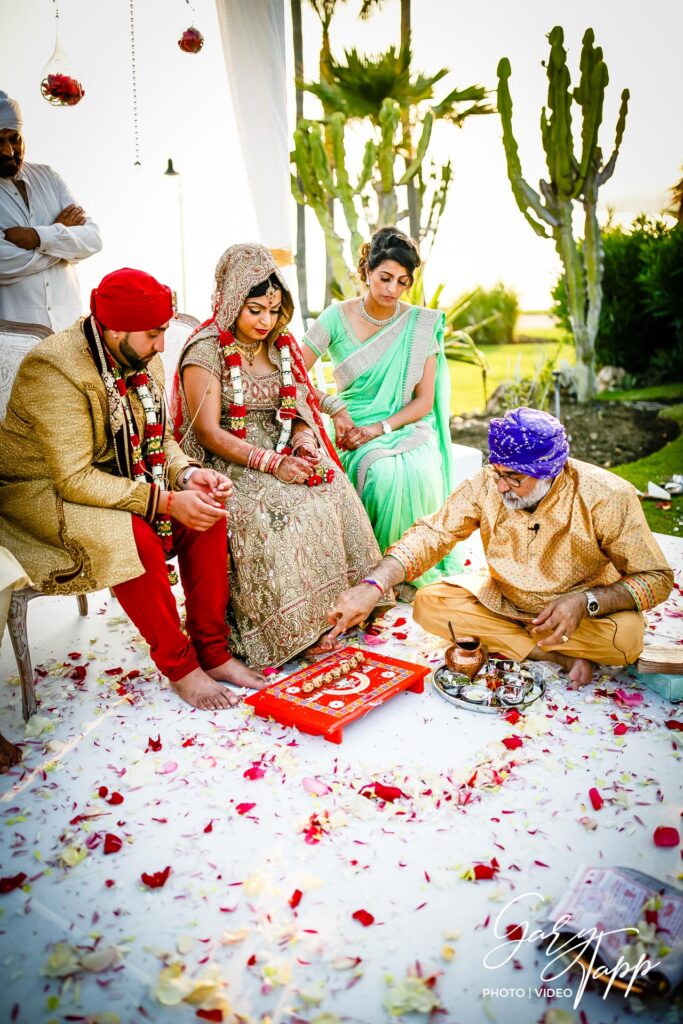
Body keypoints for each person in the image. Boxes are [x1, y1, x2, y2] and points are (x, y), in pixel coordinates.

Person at [0, 267, 264, 711]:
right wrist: (162, 500)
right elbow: (72, 478)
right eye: (155, 334)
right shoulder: (54, 369)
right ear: (114, 328)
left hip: (117, 478)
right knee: (133, 537)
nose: (163, 345)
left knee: (206, 510)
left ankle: (214, 653)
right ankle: (181, 667)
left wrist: (186, 477)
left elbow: (158, 439)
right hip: (39, 495)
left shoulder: (138, 356)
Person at [326, 407, 674, 688]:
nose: (502, 486)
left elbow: (656, 578)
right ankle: (550, 655)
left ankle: (520, 641)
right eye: (497, 473)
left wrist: (585, 602)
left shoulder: (606, 496)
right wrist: (373, 585)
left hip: (577, 615)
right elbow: (432, 534)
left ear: (550, 472)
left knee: (626, 640)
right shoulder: (488, 484)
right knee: (428, 602)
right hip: (503, 601)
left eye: (515, 479)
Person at [174, 243, 385, 669]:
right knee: (274, 511)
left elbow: (301, 403)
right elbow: (207, 431)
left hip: (284, 441)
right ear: (233, 299)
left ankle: (347, 607)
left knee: (331, 487)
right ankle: (292, 629)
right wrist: (271, 463)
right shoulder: (206, 350)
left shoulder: (280, 342)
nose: (265, 321)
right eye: (254, 310)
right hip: (228, 458)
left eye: (272, 310)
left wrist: (305, 442)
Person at [300, 225, 462, 590]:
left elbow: (423, 401)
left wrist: (382, 428)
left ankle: (407, 568)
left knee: (417, 473)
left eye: (402, 282)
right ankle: (370, 568)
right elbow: (291, 372)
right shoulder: (334, 317)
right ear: (367, 271)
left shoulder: (420, 325)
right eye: (385, 277)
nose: (392, 289)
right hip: (351, 429)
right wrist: (333, 407)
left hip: (403, 426)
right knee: (383, 475)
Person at [0, 90, 101, 331]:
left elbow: (93, 239)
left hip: (69, 332)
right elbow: (3, 264)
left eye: (14, 138)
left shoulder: (48, 177)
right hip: (12, 336)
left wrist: (38, 237)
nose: (8, 151)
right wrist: (63, 239)